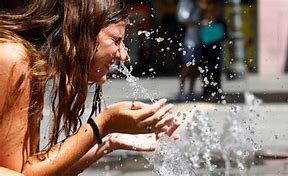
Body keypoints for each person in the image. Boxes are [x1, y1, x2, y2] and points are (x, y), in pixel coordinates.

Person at [0, 0, 180, 175]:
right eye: (116, 41)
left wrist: (109, 141)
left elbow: (25, 170)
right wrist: (104, 124)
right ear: (83, 32)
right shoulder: (13, 57)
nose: (123, 55)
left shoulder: (30, 65)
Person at [197, 0, 226, 103]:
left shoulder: (218, 18)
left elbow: (224, 33)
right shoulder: (202, 15)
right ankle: (207, 93)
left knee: (216, 71)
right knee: (206, 71)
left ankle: (217, 92)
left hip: (216, 48)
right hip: (205, 49)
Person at [176, 0, 202, 101]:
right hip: (189, 41)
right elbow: (182, 20)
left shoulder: (200, 3)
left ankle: (191, 91)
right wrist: (197, 23)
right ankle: (181, 91)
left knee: (195, 67)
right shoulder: (185, 3)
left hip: (200, 40)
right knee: (187, 65)